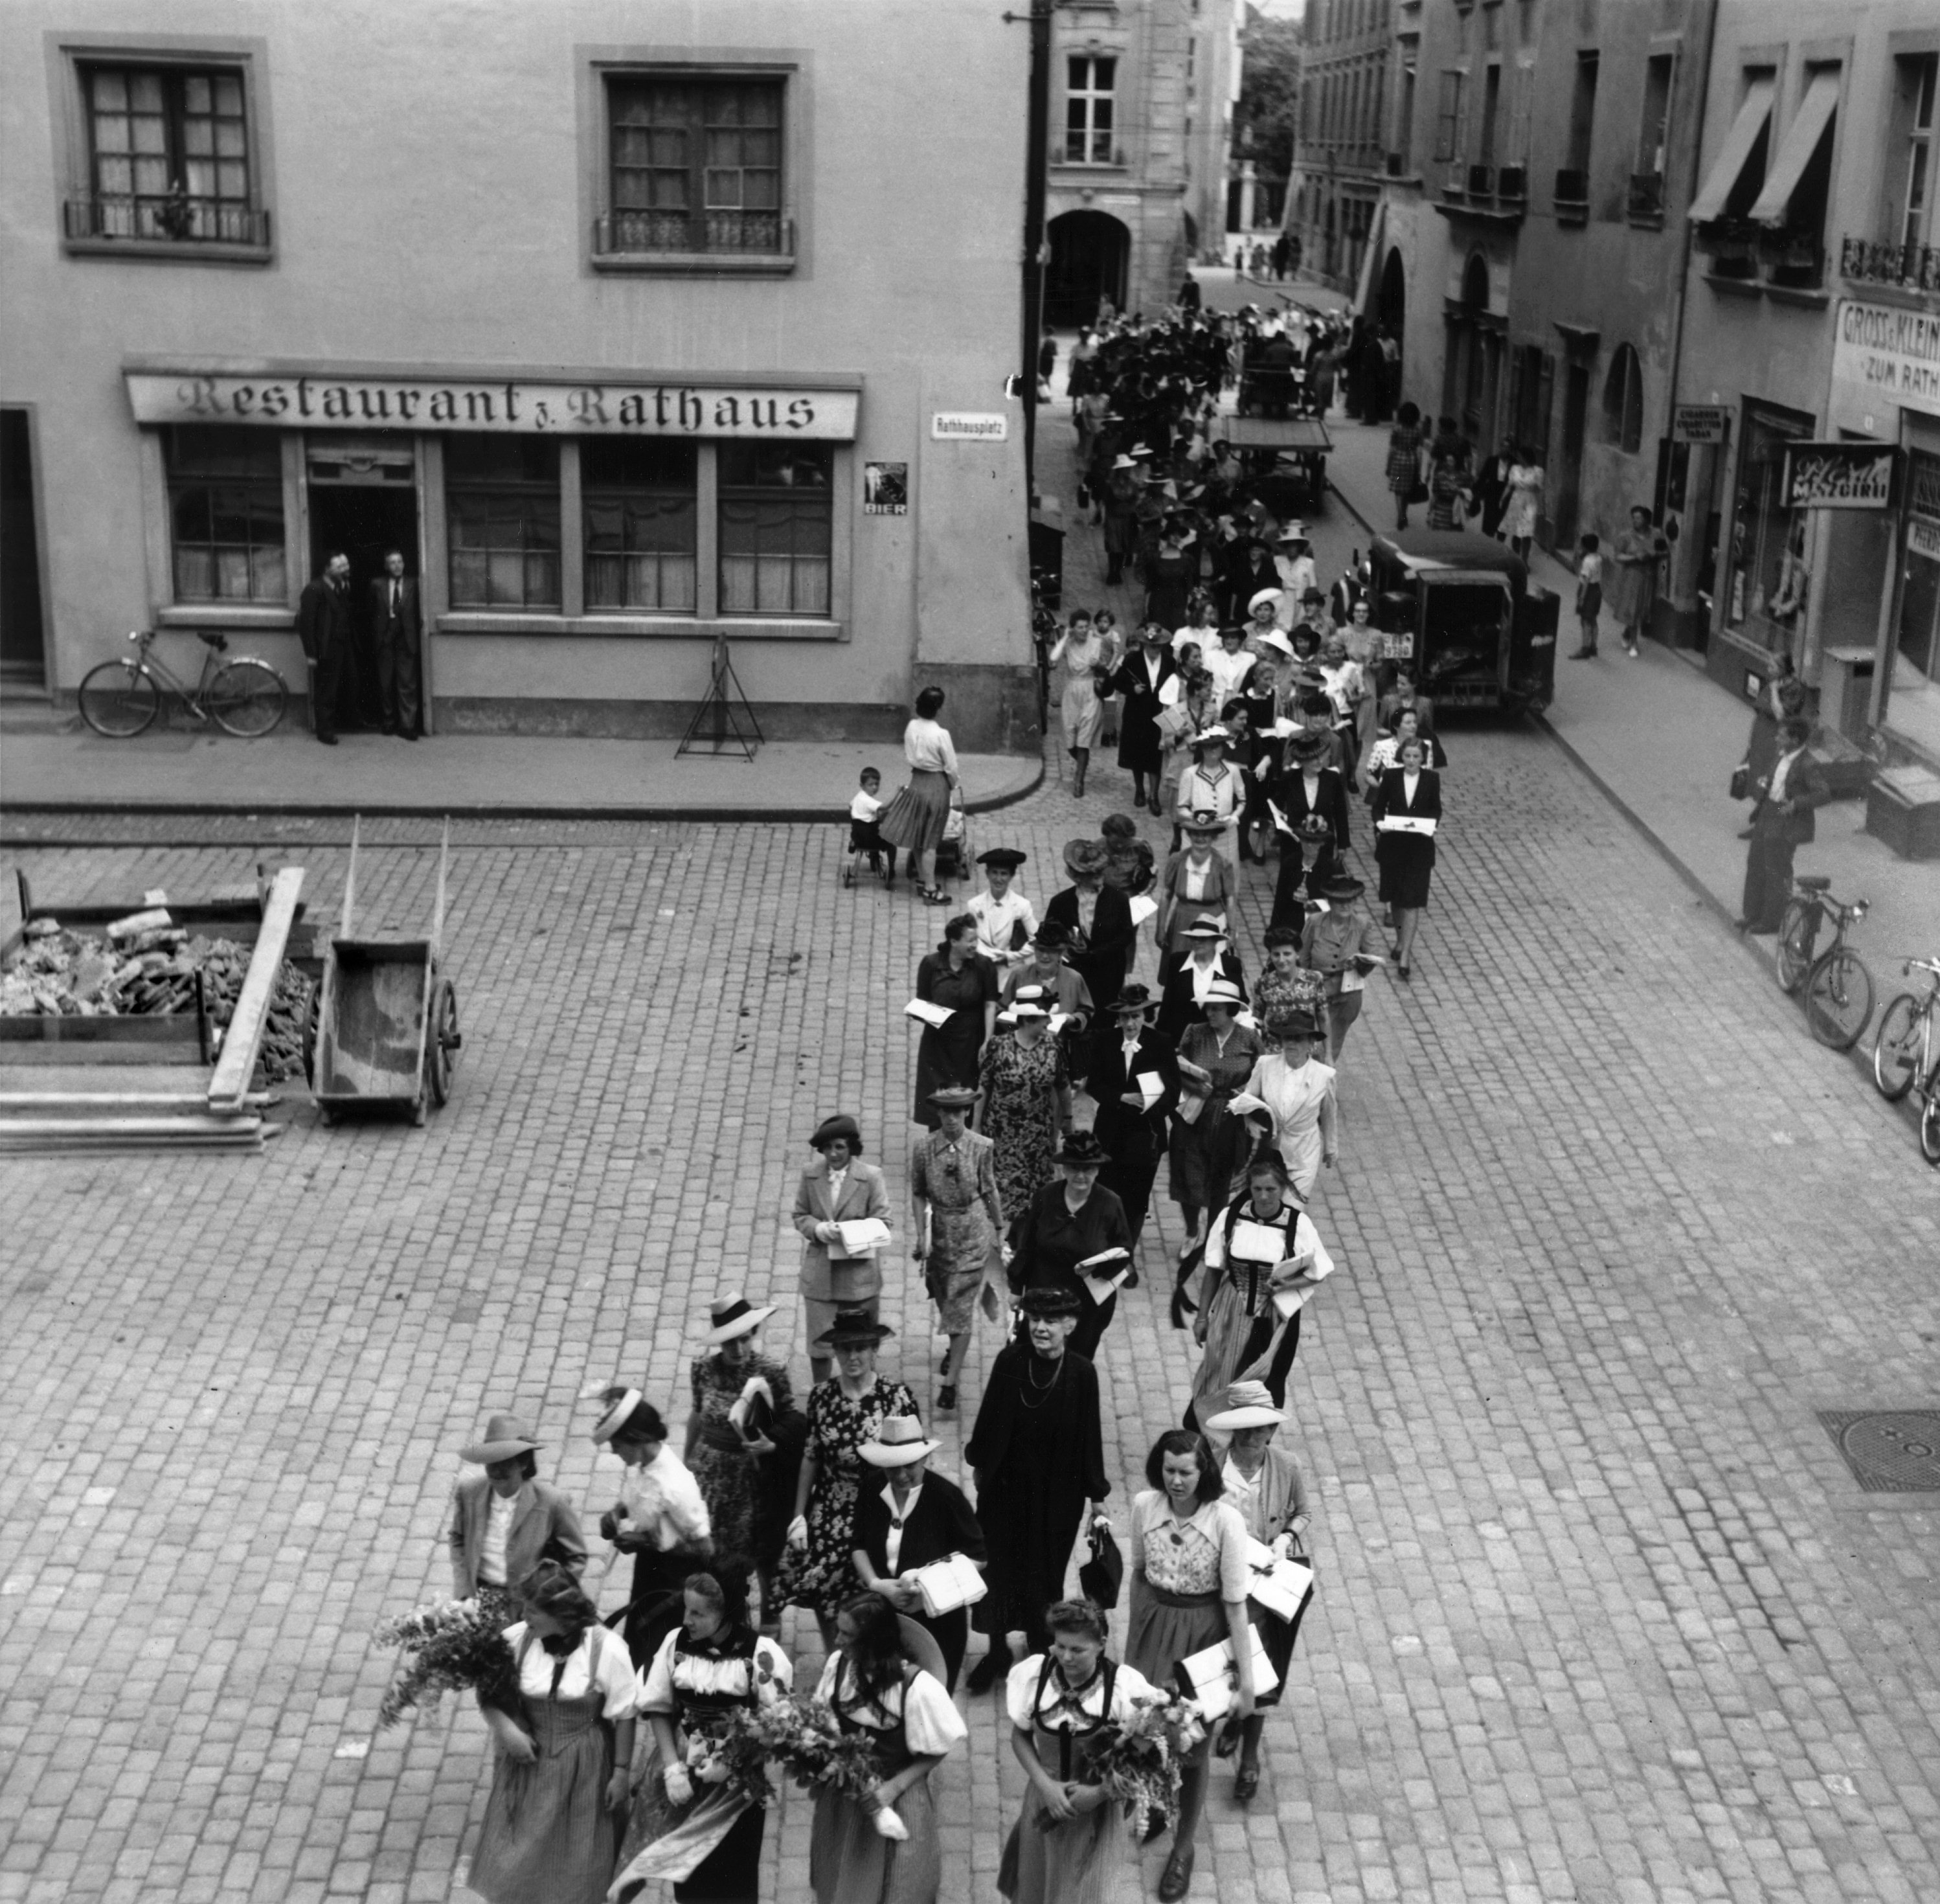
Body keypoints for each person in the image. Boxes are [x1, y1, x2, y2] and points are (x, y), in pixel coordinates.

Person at [1125, 1431, 1256, 1902]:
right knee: (1149, 1733)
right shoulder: (1145, 1505)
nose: (1176, 1481)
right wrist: (1134, 1642)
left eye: (1186, 1471)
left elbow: (1236, 1604)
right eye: (1168, 1470)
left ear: (1205, 1473)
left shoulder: (1226, 1522)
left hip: (1202, 1638)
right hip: (1154, 1628)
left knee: (1193, 1746)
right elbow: (1139, 1573)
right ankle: (1159, 1803)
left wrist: (1246, 1682)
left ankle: (1183, 1849)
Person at [965, 1286, 1111, 1693]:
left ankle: (1038, 1647)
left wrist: (1096, 1498)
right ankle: (996, 1651)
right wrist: (980, 1464)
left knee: (1044, 1576)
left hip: (1057, 1499)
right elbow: (989, 1417)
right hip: (1005, 1492)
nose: (1041, 1328)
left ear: (1070, 1325)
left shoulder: (1082, 1372)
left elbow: (1089, 1437)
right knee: (997, 1572)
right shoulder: (1011, 1360)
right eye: (1034, 1320)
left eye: (1050, 1322)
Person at [620, 1567, 791, 1904]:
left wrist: (734, 1761)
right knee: (689, 1874)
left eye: (698, 1613)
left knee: (735, 1876)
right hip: (688, 1774)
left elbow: (778, 1725)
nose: (687, 1620)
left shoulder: (760, 1654)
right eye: (686, 1609)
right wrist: (672, 1769)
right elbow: (658, 1708)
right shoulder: (676, 1644)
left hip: (738, 1782)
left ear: (724, 1613)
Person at [467, 1563, 636, 1904]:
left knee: (579, 1856)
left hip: (584, 1768)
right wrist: (506, 1730)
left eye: (533, 1610)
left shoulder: (607, 1650)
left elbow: (626, 1714)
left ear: (560, 1614)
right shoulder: (515, 1641)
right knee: (519, 1855)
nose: (525, 1615)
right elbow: (488, 1694)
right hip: (527, 1765)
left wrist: (620, 1773)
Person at [997, 1597, 1162, 1904]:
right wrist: (1045, 1786)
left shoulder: (1122, 1689)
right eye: (1060, 1646)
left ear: (1100, 1644)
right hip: (1043, 1799)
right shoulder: (1037, 1677)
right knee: (1037, 1884)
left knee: (1081, 1892)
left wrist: (1098, 1794)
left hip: (1094, 1811)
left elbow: (1145, 1756)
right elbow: (1019, 1737)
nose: (1066, 1657)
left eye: (1078, 1650)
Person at [809, 1591, 967, 1904]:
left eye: (848, 1635)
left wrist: (893, 1788)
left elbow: (938, 1749)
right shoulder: (838, 1667)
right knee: (841, 1880)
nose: (837, 1640)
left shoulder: (916, 1688)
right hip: (847, 1791)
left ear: (874, 1641)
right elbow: (822, 1721)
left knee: (902, 1886)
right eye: (838, 1630)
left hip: (898, 1793)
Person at [1200, 1383, 1313, 1804]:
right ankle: (1220, 1723)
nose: (1251, 1438)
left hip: (1264, 1591)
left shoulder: (1286, 1466)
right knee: (1216, 1663)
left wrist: (1285, 1538)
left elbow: (1303, 1512)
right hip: (1219, 1585)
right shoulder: (1210, 1464)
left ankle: (1249, 1759)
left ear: (1271, 1430)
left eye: (1259, 1429)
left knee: (1262, 1670)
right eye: (1242, 1430)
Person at [780, 1312, 921, 1649]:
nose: (852, 1357)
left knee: (876, 1591)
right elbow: (811, 1456)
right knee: (825, 1587)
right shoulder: (822, 1397)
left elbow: (912, 1460)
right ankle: (836, 1656)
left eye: (860, 1348)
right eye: (844, 1350)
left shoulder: (896, 1397)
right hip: (833, 1506)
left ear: (874, 1350)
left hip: (881, 1506)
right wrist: (799, 1516)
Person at [1187, 1153, 1335, 1433]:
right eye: (1257, 1189)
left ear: (1283, 1188)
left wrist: (1287, 1285)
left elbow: (1319, 1270)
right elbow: (1214, 1269)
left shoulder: (1297, 1224)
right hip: (1232, 1308)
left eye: (1271, 1189)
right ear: (1250, 1188)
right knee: (1218, 1372)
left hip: (1275, 1315)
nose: (1264, 1196)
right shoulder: (1231, 1217)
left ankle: (1256, 1441)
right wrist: (1202, 1318)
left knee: (1270, 1378)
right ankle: (1207, 1435)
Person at [682, 1295, 798, 1622]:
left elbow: (791, 1421)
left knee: (762, 1552)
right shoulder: (702, 1370)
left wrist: (771, 1445)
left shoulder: (771, 1371)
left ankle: (769, 1616)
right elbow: (697, 1414)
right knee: (716, 1554)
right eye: (730, 1342)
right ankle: (729, 1615)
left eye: (745, 1339)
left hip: (752, 1477)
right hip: (712, 1478)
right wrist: (687, 1458)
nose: (738, 1348)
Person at [850, 1416, 987, 1690]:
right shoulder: (871, 1488)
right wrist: (877, 1584)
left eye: (909, 1466)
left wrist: (927, 1587)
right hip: (882, 1616)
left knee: (931, 1697)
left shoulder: (947, 1498)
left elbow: (979, 1557)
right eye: (892, 1467)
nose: (900, 1475)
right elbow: (858, 1544)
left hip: (938, 1623)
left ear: (924, 1459)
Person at [591, 1390, 714, 1669]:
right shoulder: (646, 1465)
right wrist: (617, 1512)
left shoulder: (676, 1486)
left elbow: (706, 1549)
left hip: (674, 1587)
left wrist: (647, 1543)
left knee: (657, 1659)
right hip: (650, 1575)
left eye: (617, 1444)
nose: (614, 1451)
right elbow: (640, 1498)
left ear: (636, 1439)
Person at [1004, 1129, 1134, 1363]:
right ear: (1063, 1169)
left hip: (1085, 1300)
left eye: (1088, 1169)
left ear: (1097, 1170)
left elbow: (1124, 1251)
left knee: (1076, 1359)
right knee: (1034, 1354)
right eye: (1074, 1168)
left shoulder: (1110, 1203)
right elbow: (1028, 1245)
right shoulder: (1046, 1195)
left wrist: (1099, 1267)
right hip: (1043, 1292)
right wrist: (1016, 1289)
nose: (1081, 1176)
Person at [910, 1084, 1004, 1413]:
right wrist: (922, 1234)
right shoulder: (923, 1148)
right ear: (937, 1113)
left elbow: (989, 1187)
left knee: (961, 1305)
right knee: (943, 1296)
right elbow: (918, 1191)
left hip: (972, 1232)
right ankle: (953, 1343)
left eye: (958, 1111)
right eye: (946, 1112)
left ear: (968, 1112)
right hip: (939, 1234)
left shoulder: (982, 1147)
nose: (952, 1119)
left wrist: (999, 1228)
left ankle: (949, 1384)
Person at [449, 1413, 588, 1620]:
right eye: (491, 1463)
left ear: (523, 1464)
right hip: (480, 1602)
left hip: (530, 1607)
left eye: (505, 1463)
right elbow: (458, 1539)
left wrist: (551, 1599)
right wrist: (464, 1592)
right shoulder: (469, 1492)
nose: (496, 1471)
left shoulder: (552, 1502)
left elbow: (576, 1557)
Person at [1077, 982, 1180, 1254]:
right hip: (1110, 1130)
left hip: (1145, 1133)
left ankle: (1126, 1254)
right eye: (1125, 1017)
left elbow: (1173, 1090)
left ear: (1146, 1016)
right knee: (1106, 1191)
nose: (1130, 1023)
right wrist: (1122, 1098)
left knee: (1136, 1199)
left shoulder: (1161, 1043)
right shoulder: (1105, 1040)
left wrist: (1151, 1103)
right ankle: (1103, 1248)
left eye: (1136, 1016)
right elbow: (1094, 1085)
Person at [792, 1115, 893, 1383]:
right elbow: (800, 1214)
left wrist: (854, 1232)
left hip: (858, 1277)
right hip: (821, 1276)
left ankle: (863, 1393)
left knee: (862, 1343)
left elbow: (884, 1221)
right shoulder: (810, 1174)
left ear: (852, 1148)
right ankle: (821, 1393)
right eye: (828, 1148)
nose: (834, 1154)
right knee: (819, 1344)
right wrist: (818, 1229)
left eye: (840, 1147)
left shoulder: (871, 1177)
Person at [976, 992, 1073, 1222]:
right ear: (1028, 1020)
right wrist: (976, 1126)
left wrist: (1067, 1122)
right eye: (1044, 1019)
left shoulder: (1054, 1047)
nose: (1050, 1023)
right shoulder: (998, 1046)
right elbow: (984, 1087)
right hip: (1001, 1136)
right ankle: (999, 1236)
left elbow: (1063, 1087)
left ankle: (1027, 1243)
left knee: (1036, 1196)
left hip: (1037, 1137)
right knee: (997, 1190)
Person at [1736, 717, 1828, 935]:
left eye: (1782, 735)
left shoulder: (1808, 764)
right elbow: (1777, 779)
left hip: (1786, 818)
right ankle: (1752, 915)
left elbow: (1824, 794)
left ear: (1795, 740)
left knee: (1776, 870)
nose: (1777, 738)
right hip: (1770, 810)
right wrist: (1766, 783)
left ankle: (1772, 921)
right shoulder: (1781, 755)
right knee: (1756, 862)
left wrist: (1796, 804)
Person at [1239, 1010, 1338, 1203]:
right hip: (1269, 1153)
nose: (1292, 1043)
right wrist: (1249, 1120)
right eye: (1288, 1038)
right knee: (1265, 1206)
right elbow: (1246, 1099)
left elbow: (1328, 1113)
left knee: (1291, 1212)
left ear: (1311, 1044)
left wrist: (1331, 1148)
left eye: (1298, 1039)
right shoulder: (1265, 1065)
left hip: (1303, 1155)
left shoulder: (1325, 1076)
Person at [1258, 722, 1350, 929]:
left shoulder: (1332, 778)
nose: (1319, 761)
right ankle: (1292, 925)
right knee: (1292, 887)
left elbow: (1340, 813)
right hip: (1294, 844)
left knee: (1319, 887)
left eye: (1321, 756)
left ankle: (1317, 928)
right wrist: (1279, 820)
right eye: (1313, 758)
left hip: (1323, 843)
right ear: (1302, 760)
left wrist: (1343, 843)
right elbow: (1276, 803)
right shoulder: (1290, 778)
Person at [910, 913, 998, 1128]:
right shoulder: (931, 964)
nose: (975, 945)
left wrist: (988, 1040)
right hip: (938, 1043)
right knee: (939, 1100)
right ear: (953, 942)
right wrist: (921, 1013)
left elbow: (990, 1003)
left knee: (968, 1099)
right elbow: (923, 1000)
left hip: (970, 1043)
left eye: (976, 940)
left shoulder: (984, 966)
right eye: (970, 941)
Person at [877, 686, 960, 905]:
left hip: (916, 782)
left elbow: (909, 754)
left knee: (917, 835)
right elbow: (951, 767)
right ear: (938, 709)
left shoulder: (912, 726)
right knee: (931, 841)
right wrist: (950, 785)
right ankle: (931, 890)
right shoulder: (941, 734)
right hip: (936, 784)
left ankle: (924, 879)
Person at [1371, 734, 1441, 980]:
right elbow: (1378, 807)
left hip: (1419, 848)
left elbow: (1436, 809)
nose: (1412, 761)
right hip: (1393, 845)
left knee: (1412, 900)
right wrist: (1381, 824)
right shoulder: (1390, 776)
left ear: (1423, 758)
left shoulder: (1432, 779)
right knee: (1396, 898)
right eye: (1408, 756)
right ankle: (1400, 941)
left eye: (1416, 757)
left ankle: (1405, 954)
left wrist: (1429, 826)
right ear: (1402, 756)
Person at [1044, 837, 1135, 1013]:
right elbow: (1048, 936)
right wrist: (1066, 946)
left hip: (1108, 975)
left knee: (1104, 1021)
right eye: (1091, 872)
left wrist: (1097, 954)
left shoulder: (1118, 899)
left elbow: (1126, 935)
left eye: (1100, 870)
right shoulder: (1060, 902)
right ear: (1077, 875)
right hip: (1074, 975)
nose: (1098, 875)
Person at [1300, 872, 1384, 1060]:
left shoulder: (1362, 925)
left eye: (1351, 901)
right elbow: (1303, 957)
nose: (1346, 906)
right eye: (1340, 901)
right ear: (1329, 902)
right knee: (1309, 1044)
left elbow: (1371, 960)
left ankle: (1322, 1083)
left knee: (1331, 1047)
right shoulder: (1315, 922)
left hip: (1346, 996)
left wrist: (1359, 963)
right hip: (1315, 993)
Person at [1154, 811, 1242, 972]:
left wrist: (1232, 930)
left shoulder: (1223, 864)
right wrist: (1160, 928)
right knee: (1180, 971)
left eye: (1205, 834)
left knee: (1208, 970)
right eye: (1196, 834)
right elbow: (1166, 895)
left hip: (1212, 923)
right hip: (1182, 921)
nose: (1200, 838)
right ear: (1189, 835)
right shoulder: (1177, 860)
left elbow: (1230, 899)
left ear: (1213, 837)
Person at [1111, 622, 1178, 815]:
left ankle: (1153, 795)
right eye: (1151, 646)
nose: (1154, 650)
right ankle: (1140, 789)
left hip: (1159, 711)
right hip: (1136, 711)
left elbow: (1174, 685)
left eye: (1158, 646)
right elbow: (1118, 681)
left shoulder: (1169, 662)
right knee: (1137, 752)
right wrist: (1132, 689)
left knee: (1155, 754)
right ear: (1144, 644)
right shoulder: (1132, 660)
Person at [1156, 916, 1248, 1048]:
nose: (1197, 942)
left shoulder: (1230, 965)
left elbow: (1241, 1001)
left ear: (1216, 941)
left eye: (1203, 938)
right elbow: (1168, 1003)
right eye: (1194, 938)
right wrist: (1162, 1037)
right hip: (1180, 1038)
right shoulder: (1177, 961)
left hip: (1217, 1040)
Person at [1173, 725, 1249, 876]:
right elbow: (1181, 808)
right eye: (1208, 748)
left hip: (1226, 831)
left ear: (1222, 749)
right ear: (1202, 750)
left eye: (1216, 747)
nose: (1212, 751)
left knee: (1227, 872)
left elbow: (1242, 801)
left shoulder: (1233, 771)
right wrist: (1196, 817)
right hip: (1198, 833)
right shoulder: (1190, 774)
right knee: (1197, 873)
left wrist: (1234, 817)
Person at [1051, 612, 1111, 799]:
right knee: (1070, 741)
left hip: (1091, 690)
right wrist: (1065, 638)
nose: (1084, 630)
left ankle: (1079, 780)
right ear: (1073, 628)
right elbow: (1053, 658)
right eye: (1080, 627)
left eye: (1086, 626)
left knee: (1083, 739)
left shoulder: (1097, 642)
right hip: (1072, 691)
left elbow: (1107, 667)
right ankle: (1082, 764)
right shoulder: (1068, 644)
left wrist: (1099, 665)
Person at [1000, 922, 1095, 1040]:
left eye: (1051, 951)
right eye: (1041, 950)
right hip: (1023, 1047)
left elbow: (1086, 1010)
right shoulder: (1019, 975)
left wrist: (1073, 1019)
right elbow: (1001, 1011)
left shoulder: (1074, 978)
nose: (1045, 956)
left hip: (1061, 1045)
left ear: (1060, 953)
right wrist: (1014, 1030)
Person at [296, 551, 353, 745]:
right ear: (327, 569)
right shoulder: (314, 589)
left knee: (342, 686)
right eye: (340, 567)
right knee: (325, 692)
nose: (345, 569)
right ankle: (325, 732)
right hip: (324, 649)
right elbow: (306, 624)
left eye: (346, 565)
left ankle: (340, 723)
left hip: (341, 647)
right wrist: (311, 654)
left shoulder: (342, 586)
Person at [368, 549, 423, 740]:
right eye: (392, 562)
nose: (397, 565)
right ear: (386, 566)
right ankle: (388, 721)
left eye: (400, 561)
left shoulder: (414, 584)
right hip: (385, 638)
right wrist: (379, 636)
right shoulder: (377, 585)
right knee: (386, 683)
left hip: (405, 638)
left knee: (407, 683)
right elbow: (370, 612)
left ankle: (407, 725)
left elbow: (418, 612)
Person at [1608, 505, 1665, 657]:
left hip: (1648, 576)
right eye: (1633, 517)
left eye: (1639, 518)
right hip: (1632, 577)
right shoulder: (1626, 536)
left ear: (1647, 520)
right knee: (1633, 608)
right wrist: (1635, 557)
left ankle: (1627, 632)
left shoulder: (1656, 534)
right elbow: (1618, 556)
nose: (1635, 521)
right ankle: (1634, 643)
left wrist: (1654, 554)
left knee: (1643, 609)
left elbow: (1665, 552)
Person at [1252, 924, 1327, 1032]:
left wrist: (1328, 1049)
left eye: (1287, 954)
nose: (1281, 960)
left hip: (1305, 1046)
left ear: (1297, 954)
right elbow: (1257, 1020)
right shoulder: (1263, 983)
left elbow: (1323, 1018)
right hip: (1273, 1046)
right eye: (1276, 955)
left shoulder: (1314, 980)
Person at [968, 848, 1037, 967]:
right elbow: (969, 937)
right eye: (994, 872)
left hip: (1009, 967)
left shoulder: (1022, 905)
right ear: (987, 874)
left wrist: (1010, 956)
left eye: (1004, 874)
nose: (998, 879)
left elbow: (1036, 940)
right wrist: (985, 954)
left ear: (1012, 876)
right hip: (980, 966)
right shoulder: (974, 904)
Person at [852, 767, 898, 881]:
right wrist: (897, 793)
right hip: (870, 839)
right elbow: (885, 807)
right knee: (892, 843)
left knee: (869, 830)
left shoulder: (858, 797)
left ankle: (870, 855)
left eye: (876, 784)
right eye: (870, 785)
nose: (874, 787)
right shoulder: (868, 801)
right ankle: (891, 869)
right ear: (862, 786)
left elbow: (850, 806)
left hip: (857, 837)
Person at [1386, 403, 1425, 531]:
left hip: (1398, 462)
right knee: (1407, 489)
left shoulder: (1397, 429)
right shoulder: (1418, 431)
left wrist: (1388, 466)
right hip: (1411, 462)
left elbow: (1392, 449)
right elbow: (1419, 451)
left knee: (1398, 490)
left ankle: (1400, 516)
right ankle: (1404, 514)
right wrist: (1419, 469)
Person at [1502, 446, 1544, 564]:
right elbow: (1510, 485)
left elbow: (1539, 489)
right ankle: (1516, 558)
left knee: (1527, 532)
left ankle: (1524, 560)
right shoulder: (1514, 469)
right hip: (1516, 500)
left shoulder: (1538, 471)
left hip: (1530, 502)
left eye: (1520, 456)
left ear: (1526, 457)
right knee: (1516, 531)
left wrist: (1540, 508)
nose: (1518, 458)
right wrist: (1503, 499)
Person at [1571, 533, 1604, 659]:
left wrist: (1581, 600)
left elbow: (1585, 581)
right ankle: (1593, 647)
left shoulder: (1587, 562)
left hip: (1588, 591)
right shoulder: (1598, 558)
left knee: (1585, 620)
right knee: (1593, 620)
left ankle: (1584, 649)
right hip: (1597, 589)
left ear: (1585, 547)